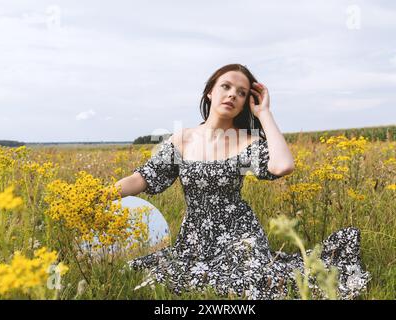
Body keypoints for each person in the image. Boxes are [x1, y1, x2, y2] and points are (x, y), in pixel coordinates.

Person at [115, 63, 370, 299]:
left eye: (241, 92)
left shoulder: (245, 142)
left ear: (245, 102)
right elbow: (143, 178)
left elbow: (282, 166)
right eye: (225, 87)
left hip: (240, 234)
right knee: (155, 275)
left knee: (247, 282)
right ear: (209, 93)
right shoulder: (183, 139)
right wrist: (104, 193)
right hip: (194, 237)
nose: (232, 95)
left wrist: (264, 113)